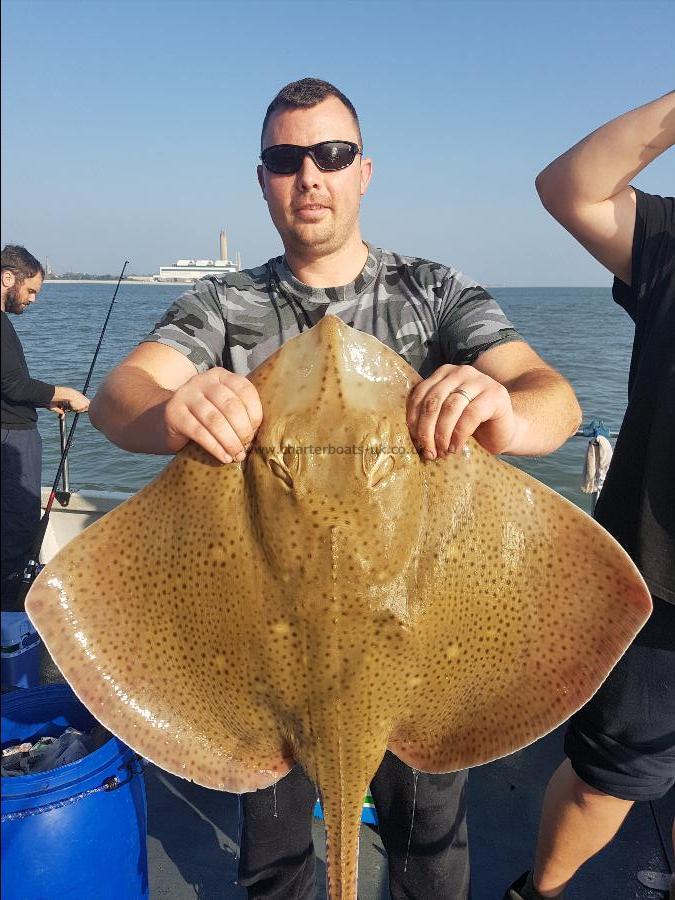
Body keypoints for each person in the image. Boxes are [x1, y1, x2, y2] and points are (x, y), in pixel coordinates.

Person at [90, 78, 581, 900]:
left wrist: (503, 409)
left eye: (331, 154)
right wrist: (173, 408)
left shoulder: (435, 292)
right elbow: (117, 400)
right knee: (277, 862)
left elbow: (552, 399)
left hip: (419, 626)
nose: (309, 175)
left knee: (429, 848)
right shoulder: (224, 303)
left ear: (363, 172)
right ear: (263, 180)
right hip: (265, 640)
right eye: (286, 159)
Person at [504, 92, 675, 900]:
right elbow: (572, 187)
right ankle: (538, 890)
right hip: (659, 577)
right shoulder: (670, 241)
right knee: (608, 773)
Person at [1, 245, 90, 613]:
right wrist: (64, 392)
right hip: (12, 439)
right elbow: (12, 385)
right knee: (18, 526)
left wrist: (44, 399)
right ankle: (9, 613)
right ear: (8, 278)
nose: (33, 300)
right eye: (31, 290)